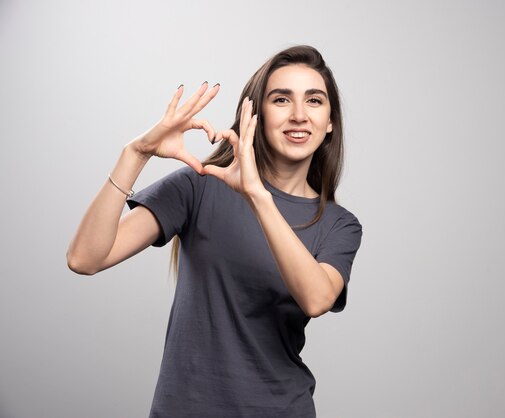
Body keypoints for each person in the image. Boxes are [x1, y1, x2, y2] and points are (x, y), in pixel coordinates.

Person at [67, 45, 362, 417]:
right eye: (281, 100)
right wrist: (137, 153)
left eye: (315, 101)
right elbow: (84, 258)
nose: (299, 115)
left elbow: (316, 299)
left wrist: (257, 195)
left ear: (330, 120)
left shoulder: (339, 225)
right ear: (253, 113)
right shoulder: (199, 186)